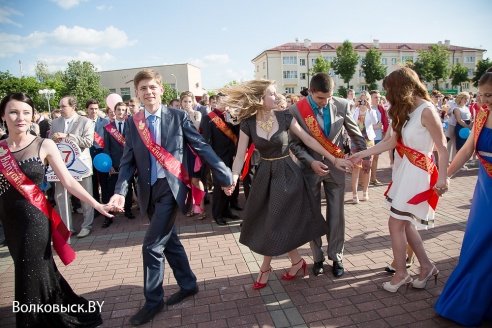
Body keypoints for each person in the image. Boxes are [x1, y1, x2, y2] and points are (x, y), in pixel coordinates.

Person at [108, 69, 233, 326]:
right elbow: (127, 160)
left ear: (161, 90)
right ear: (137, 93)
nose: (148, 92)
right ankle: (188, 284)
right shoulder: (134, 122)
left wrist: (224, 174)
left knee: (151, 246)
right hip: (147, 191)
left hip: (170, 189)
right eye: (143, 88)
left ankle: (153, 301)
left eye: (153, 87)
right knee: (170, 241)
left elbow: (200, 145)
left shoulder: (177, 116)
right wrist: (120, 192)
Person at [222, 79, 353, 289]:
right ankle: (297, 261)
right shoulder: (247, 123)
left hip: (288, 175)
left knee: (274, 222)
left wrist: (335, 159)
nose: (277, 97)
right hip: (264, 177)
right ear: (259, 99)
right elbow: (239, 157)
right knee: (276, 221)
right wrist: (234, 178)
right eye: (272, 94)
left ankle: (265, 267)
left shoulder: (285, 116)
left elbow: (309, 140)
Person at [0, 92, 117, 327]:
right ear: (3, 115)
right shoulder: (1, 148)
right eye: (13, 112)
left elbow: (69, 182)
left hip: (35, 221)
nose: (19, 118)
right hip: (9, 222)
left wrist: (97, 204)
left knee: (29, 272)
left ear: (33, 115)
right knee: (36, 271)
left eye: (25, 112)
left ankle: (33, 321)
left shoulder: (44, 144)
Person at [350, 67, 449, 292]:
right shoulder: (406, 111)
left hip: (419, 174)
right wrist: (361, 153)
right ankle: (426, 266)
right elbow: (391, 142)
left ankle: (402, 273)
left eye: (389, 90)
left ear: (401, 88)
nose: (386, 95)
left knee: (396, 223)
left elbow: (442, 148)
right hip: (405, 170)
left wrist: (443, 179)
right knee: (405, 224)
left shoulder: (426, 110)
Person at [289, 73, 370, 277]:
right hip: (310, 170)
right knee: (313, 216)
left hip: (337, 168)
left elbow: (354, 132)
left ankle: (336, 256)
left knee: (336, 216)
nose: (325, 102)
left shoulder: (341, 105)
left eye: (329, 97)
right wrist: (311, 161)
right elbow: (294, 144)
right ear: (310, 92)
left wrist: (362, 156)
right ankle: (317, 257)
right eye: (320, 98)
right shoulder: (296, 110)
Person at [434, 69, 492, 326]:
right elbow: (468, 149)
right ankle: (467, 304)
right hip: (485, 188)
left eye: (489, 95)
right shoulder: (481, 114)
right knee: (477, 243)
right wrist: (445, 176)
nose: (483, 100)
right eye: (480, 95)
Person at [49, 95, 95, 238]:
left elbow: (88, 142)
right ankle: (67, 227)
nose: (60, 109)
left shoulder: (85, 121)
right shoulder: (55, 122)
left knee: (85, 196)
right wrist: (53, 139)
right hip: (61, 166)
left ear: (73, 107)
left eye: (63, 106)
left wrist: (67, 136)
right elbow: (50, 142)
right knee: (61, 197)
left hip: (80, 165)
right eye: (60, 106)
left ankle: (86, 225)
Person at [200, 94, 241, 225]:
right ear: (216, 102)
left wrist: (235, 118)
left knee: (230, 185)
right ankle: (217, 214)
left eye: (227, 101)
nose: (225, 103)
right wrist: (211, 161)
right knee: (219, 187)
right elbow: (206, 141)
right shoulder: (209, 118)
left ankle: (226, 210)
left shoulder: (230, 116)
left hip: (231, 156)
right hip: (217, 158)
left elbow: (236, 134)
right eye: (223, 101)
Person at [103, 101, 135, 226]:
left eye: (123, 110)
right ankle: (109, 214)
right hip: (115, 163)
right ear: (114, 112)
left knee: (128, 187)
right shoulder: (108, 128)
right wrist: (109, 164)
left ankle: (128, 210)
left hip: (129, 162)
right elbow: (107, 148)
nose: (121, 112)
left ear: (126, 112)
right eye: (118, 110)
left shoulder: (130, 125)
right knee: (111, 188)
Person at [179, 91, 206, 220]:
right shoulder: (178, 115)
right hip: (183, 151)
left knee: (196, 180)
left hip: (194, 150)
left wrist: (189, 114)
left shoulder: (196, 114)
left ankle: (201, 208)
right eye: (185, 101)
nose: (187, 104)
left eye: (189, 101)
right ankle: (192, 208)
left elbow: (195, 128)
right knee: (188, 181)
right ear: (181, 103)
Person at [349, 91, 379, 204]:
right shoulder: (354, 110)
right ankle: (354, 193)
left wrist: (369, 108)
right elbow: (349, 121)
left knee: (367, 167)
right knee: (356, 167)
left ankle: (365, 191)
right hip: (356, 141)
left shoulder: (372, 111)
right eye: (361, 100)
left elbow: (375, 122)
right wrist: (355, 106)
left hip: (368, 141)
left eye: (365, 100)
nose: (363, 102)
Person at [87, 99, 110, 217]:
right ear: (87, 110)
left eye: (96, 108)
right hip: (88, 158)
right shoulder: (83, 122)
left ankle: (106, 206)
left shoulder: (105, 122)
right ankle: (96, 208)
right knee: (93, 184)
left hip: (102, 157)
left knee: (104, 182)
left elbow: (108, 140)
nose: (94, 111)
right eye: (91, 109)